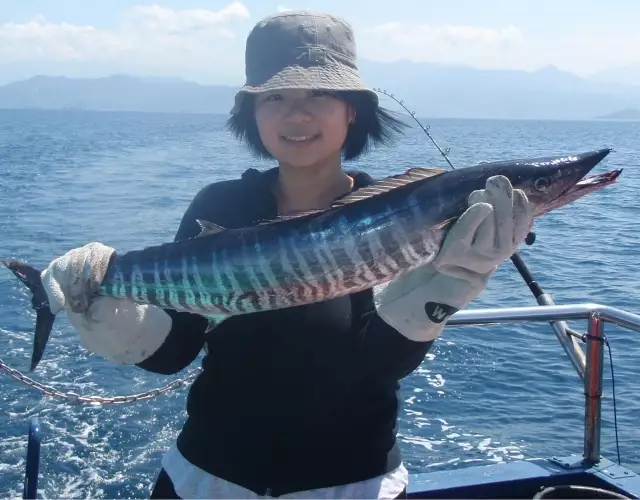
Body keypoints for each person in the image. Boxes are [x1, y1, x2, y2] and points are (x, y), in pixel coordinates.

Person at [40, 10, 534, 500]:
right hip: (206, 479)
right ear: (252, 114)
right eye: (275, 97)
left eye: (319, 94)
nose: (297, 114)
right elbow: (176, 351)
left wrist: (441, 297)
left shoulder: (401, 215)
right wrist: (115, 321)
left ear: (352, 110)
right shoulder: (220, 205)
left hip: (353, 484)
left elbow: (382, 364)